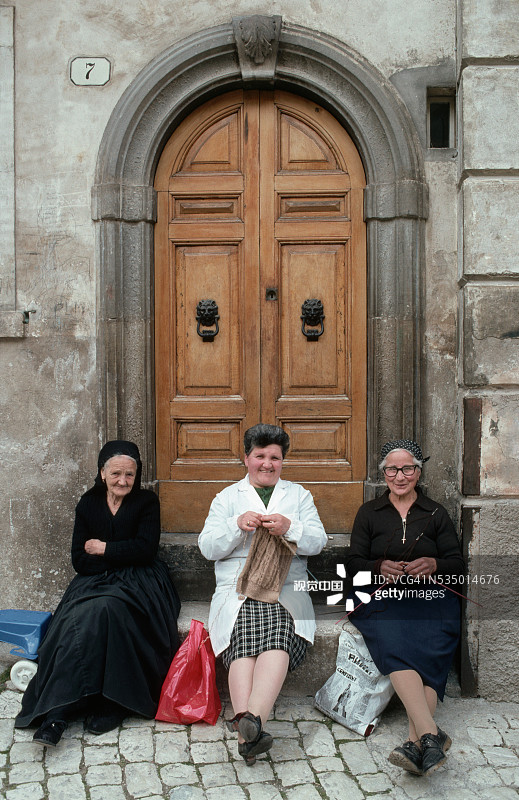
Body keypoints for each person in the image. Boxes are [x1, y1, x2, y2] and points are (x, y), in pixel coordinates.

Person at [15, 440, 181, 746]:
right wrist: (118, 555)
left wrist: (104, 548)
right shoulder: (88, 503)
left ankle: (113, 702)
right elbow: (79, 558)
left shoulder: (146, 503)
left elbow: (145, 551)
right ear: (102, 473)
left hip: (140, 582)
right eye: (116, 473)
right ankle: (57, 712)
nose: (123, 481)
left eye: (130, 475)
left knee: (110, 610)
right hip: (94, 579)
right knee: (75, 619)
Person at [199, 423, 327, 765]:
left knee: (279, 633)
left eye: (275, 457)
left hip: (284, 587)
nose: (267, 463)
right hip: (239, 588)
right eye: (260, 456)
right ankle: (252, 728)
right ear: (246, 459)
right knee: (242, 634)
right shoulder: (227, 498)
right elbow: (208, 548)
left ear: (282, 461)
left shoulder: (298, 495)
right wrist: (235, 525)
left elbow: (318, 540)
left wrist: (291, 528)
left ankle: (247, 727)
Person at [346, 439, 464, 776]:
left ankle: (416, 745)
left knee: (430, 646)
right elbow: (352, 562)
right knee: (395, 642)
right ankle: (432, 735)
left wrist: (434, 564)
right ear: (383, 473)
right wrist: (377, 566)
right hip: (382, 596)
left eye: (408, 468)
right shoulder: (369, 512)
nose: (400, 476)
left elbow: (457, 563)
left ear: (418, 471)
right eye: (393, 469)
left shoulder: (436, 513)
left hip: (432, 597)